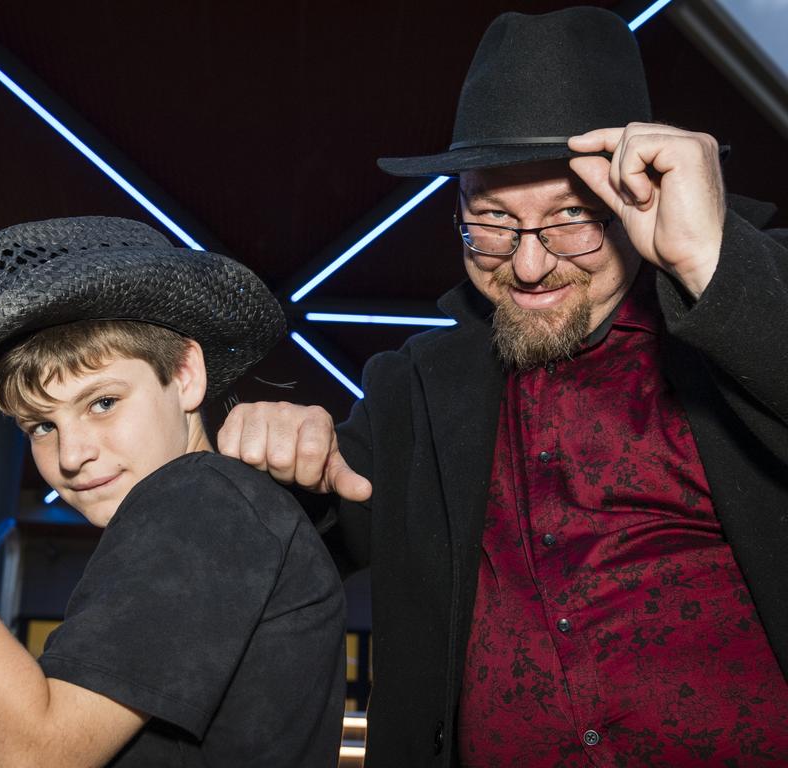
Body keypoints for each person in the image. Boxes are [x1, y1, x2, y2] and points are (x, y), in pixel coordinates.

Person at [218, 7, 788, 766]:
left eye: (571, 220)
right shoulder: (414, 392)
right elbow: (270, 551)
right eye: (491, 222)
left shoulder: (753, 305)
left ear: (636, 202)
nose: (526, 266)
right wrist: (266, 455)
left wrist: (710, 261)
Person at [0, 216, 346, 767]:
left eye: (102, 402)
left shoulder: (202, 499)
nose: (71, 455)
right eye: (41, 426)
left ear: (185, 375)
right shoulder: (199, 509)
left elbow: (30, 757)